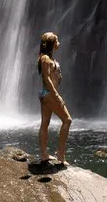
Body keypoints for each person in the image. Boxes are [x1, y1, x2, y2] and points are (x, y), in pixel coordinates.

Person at [37, 31, 72, 166]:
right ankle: (60, 154)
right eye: (57, 41)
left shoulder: (47, 57)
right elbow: (46, 78)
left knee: (45, 123)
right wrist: (56, 96)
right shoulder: (45, 58)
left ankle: (44, 155)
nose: (59, 43)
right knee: (67, 120)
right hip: (49, 94)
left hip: (46, 94)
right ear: (51, 43)